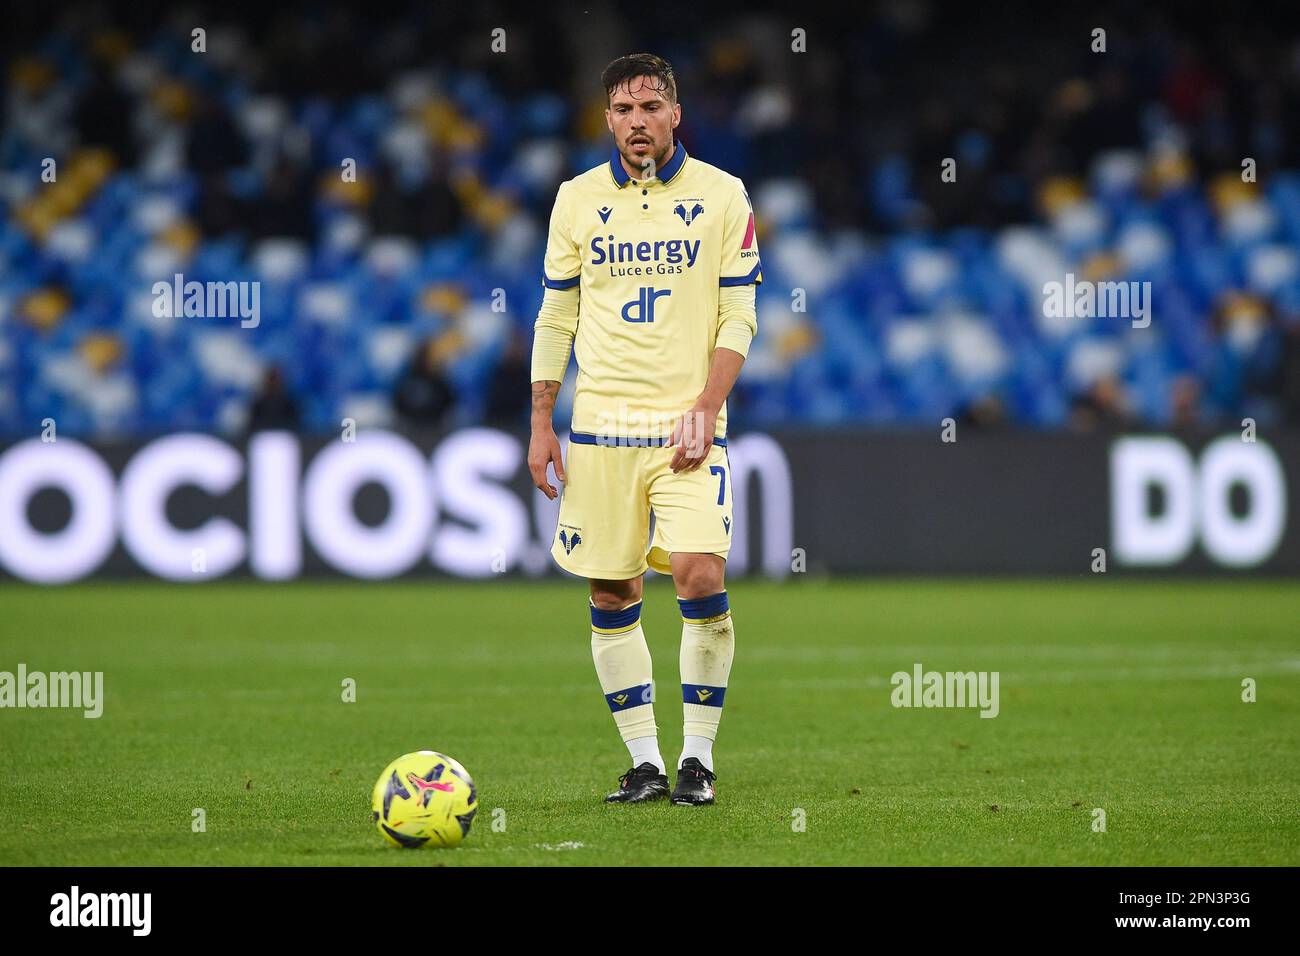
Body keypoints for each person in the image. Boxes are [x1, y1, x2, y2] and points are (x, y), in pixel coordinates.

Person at [527, 54, 760, 806]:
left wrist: (706, 404)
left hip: (687, 429)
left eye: (651, 107)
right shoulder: (576, 200)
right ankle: (646, 763)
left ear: (675, 115)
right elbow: (557, 313)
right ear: (607, 119)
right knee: (612, 590)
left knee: (699, 573)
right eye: (623, 109)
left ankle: (698, 759)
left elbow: (740, 314)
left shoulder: (724, 196)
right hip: (599, 432)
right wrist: (541, 420)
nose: (637, 121)